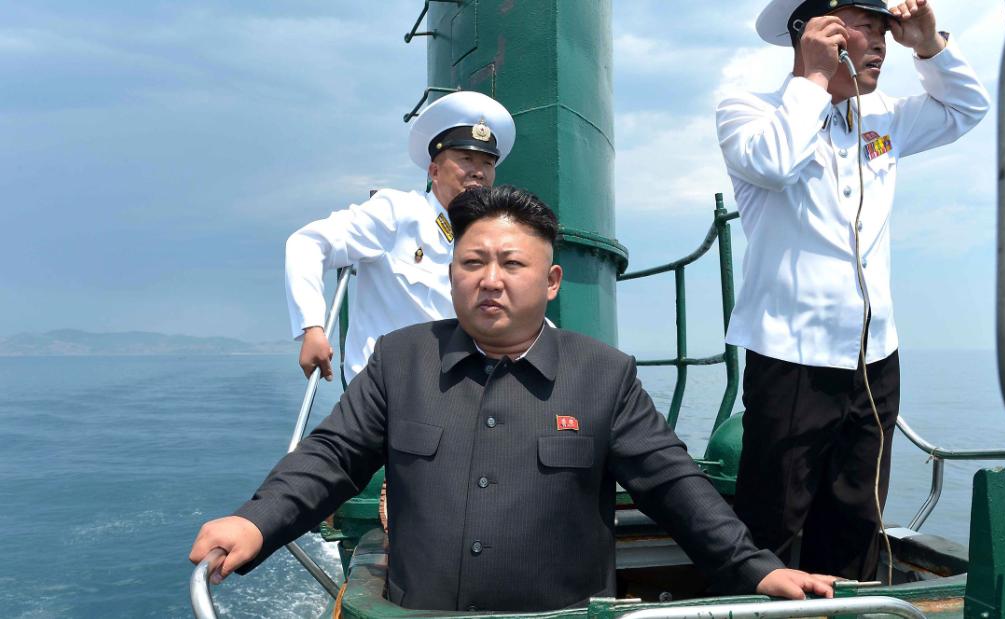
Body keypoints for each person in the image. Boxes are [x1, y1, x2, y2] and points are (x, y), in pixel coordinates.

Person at [190, 186, 836, 612]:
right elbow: (330, 456)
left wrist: (756, 569)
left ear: (551, 280)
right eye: (472, 263)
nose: (490, 279)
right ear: (451, 275)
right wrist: (257, 520)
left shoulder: (602, 375)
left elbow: (675, 486)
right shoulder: (401, 360)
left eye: (512, 263)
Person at [716, 0, 989, 579]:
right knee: (771, 524)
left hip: (875, 360)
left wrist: (928, 44)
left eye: (884, 30)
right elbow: (771, 164)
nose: (880, 44)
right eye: (864, 28)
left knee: (857, 519)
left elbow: (968, 107)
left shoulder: (882, 117)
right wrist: (813, 79)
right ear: (816, 34)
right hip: (792, 358)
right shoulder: (749, 111)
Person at [285, 90, 515, 384]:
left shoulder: (488, 239)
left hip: (455, 396)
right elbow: (308, 244)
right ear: (434, 171)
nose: (478, 172)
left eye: (487, 163)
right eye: (466, 159)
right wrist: (312, 327)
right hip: (385, 394)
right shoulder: (398, 212)